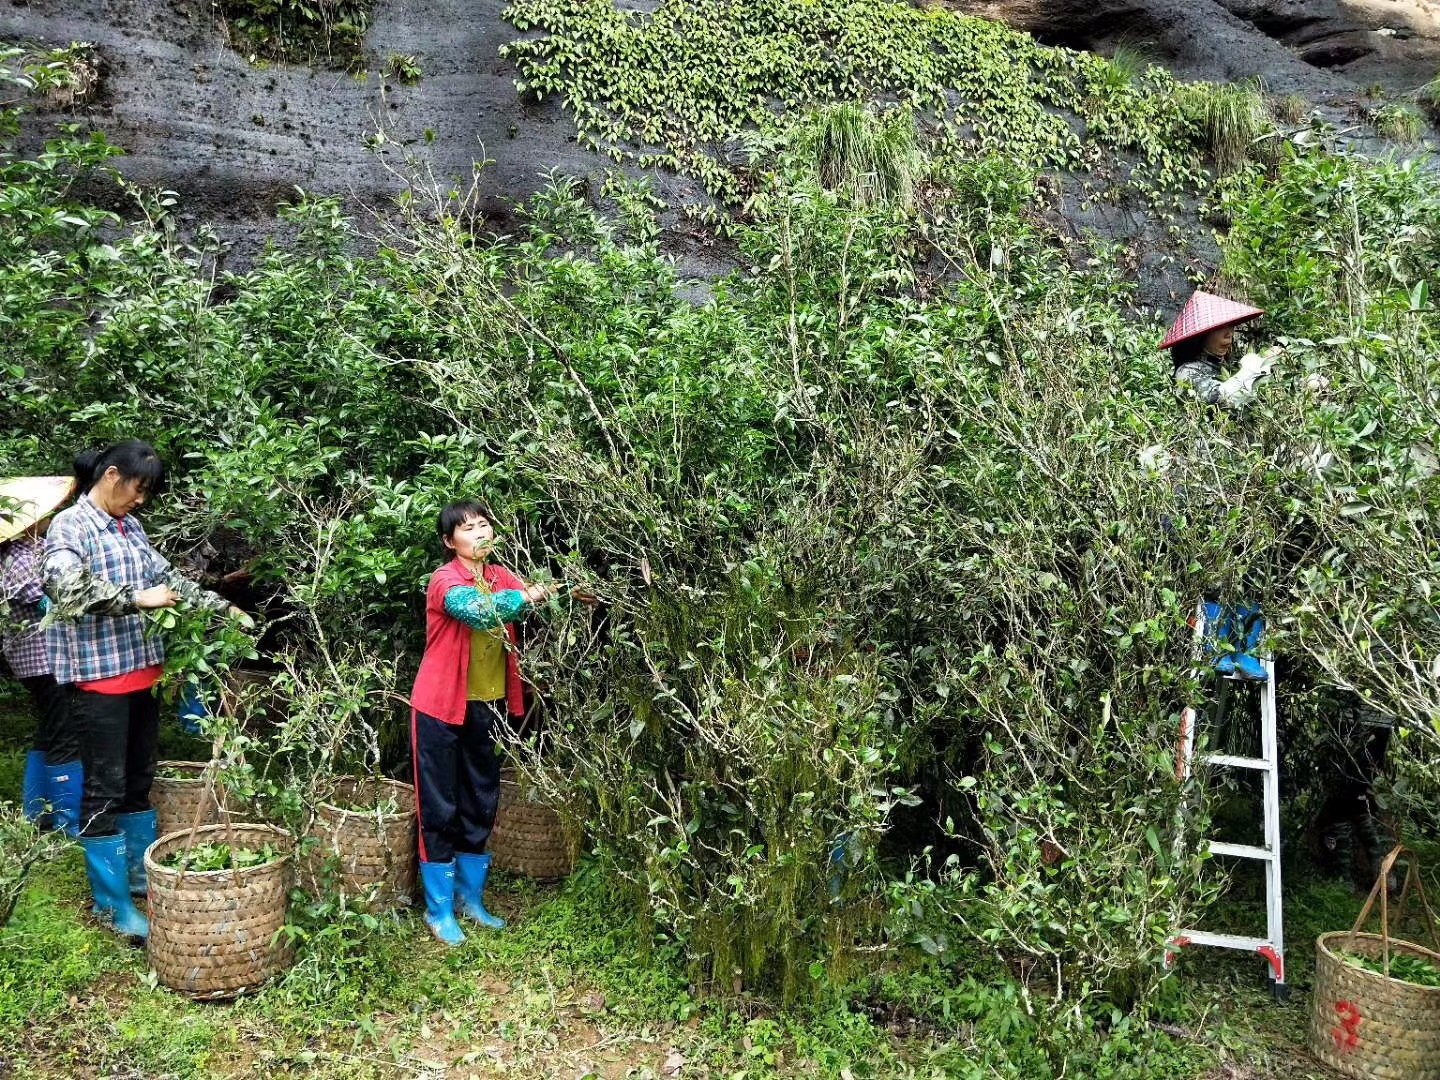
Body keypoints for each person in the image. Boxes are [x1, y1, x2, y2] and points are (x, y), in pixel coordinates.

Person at [42, 441, 251, 940]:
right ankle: (112, 905)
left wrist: (223, 609)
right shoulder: (70, 526)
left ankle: (138, 882)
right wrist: (136, 599)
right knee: (104, 789)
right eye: (139, 489)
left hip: (143, 676)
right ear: (112, 475)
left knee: (139, 780)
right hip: (98, 682)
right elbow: (63, 587)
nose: (141, 501)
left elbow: (169, 579)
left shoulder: (128, 527)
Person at [408, 501, 565, 946]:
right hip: (439, 708)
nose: (478, 533)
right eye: (467, 528)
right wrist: (530, 595)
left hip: (487, 705)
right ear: (448, 542)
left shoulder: (500, 576)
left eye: (483, 525)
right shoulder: (445, 581)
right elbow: (478, 611)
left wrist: (564, 589)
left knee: (480, 798)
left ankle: (470, 900)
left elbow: (535, 598)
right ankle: (439, 911)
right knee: (439, 804)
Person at [1162, 289, 1282, 680]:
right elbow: (1223, 400)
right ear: (1203, 335)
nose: (1229, 336)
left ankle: (1246, 652)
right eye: (1223, 330)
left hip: (1232, 484)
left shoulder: (1220, 371)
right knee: (1216, 569)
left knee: (1246, 565)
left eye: (1231, 330)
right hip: (1202, 487)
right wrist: (1252, 372)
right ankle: (1218, 650)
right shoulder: (1188, 374)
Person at [1, 475, 81, 835]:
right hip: (42, 659)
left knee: (50, 731)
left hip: (37, 659)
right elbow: (53, 596)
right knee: (65, 733)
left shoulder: (31, 550)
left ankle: (37, 812)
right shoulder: (19, 557)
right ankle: (69, 822)